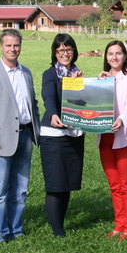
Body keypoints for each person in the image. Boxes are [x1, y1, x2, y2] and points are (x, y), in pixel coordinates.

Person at [0, 29, 40, 243]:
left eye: (16, 45)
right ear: (1, 46)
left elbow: (33, 104)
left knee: (21, 189)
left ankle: (16, 229)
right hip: (0, 141)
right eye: (8, 45)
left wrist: (36, 132)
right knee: (0, 191)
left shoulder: (26, 72)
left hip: (24, 136)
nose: (13, 49)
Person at [39, 34, 84, 237]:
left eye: (68, 50)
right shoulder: (50, 74)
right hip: (54, 135)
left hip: (73, 134)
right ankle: (57, 230)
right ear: (54, 53)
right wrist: (53, 113)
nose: (65, 54)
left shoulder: (77, 75)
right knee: (56, 182)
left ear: (74, 52)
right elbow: (48, 96)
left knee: (67, 182)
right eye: (60, 50)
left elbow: (81, 104)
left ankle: (61, 224)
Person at [97, 40, 127, 240]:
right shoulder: (102, 79)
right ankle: (119, 224)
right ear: (105, 57)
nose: (114, 57)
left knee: (126, 183)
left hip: (125, 138)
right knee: (114, 184)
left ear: (125, 56)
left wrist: (122, 120)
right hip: (105, 137)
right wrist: (97, 85)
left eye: (118, 53)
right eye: (110, 54)